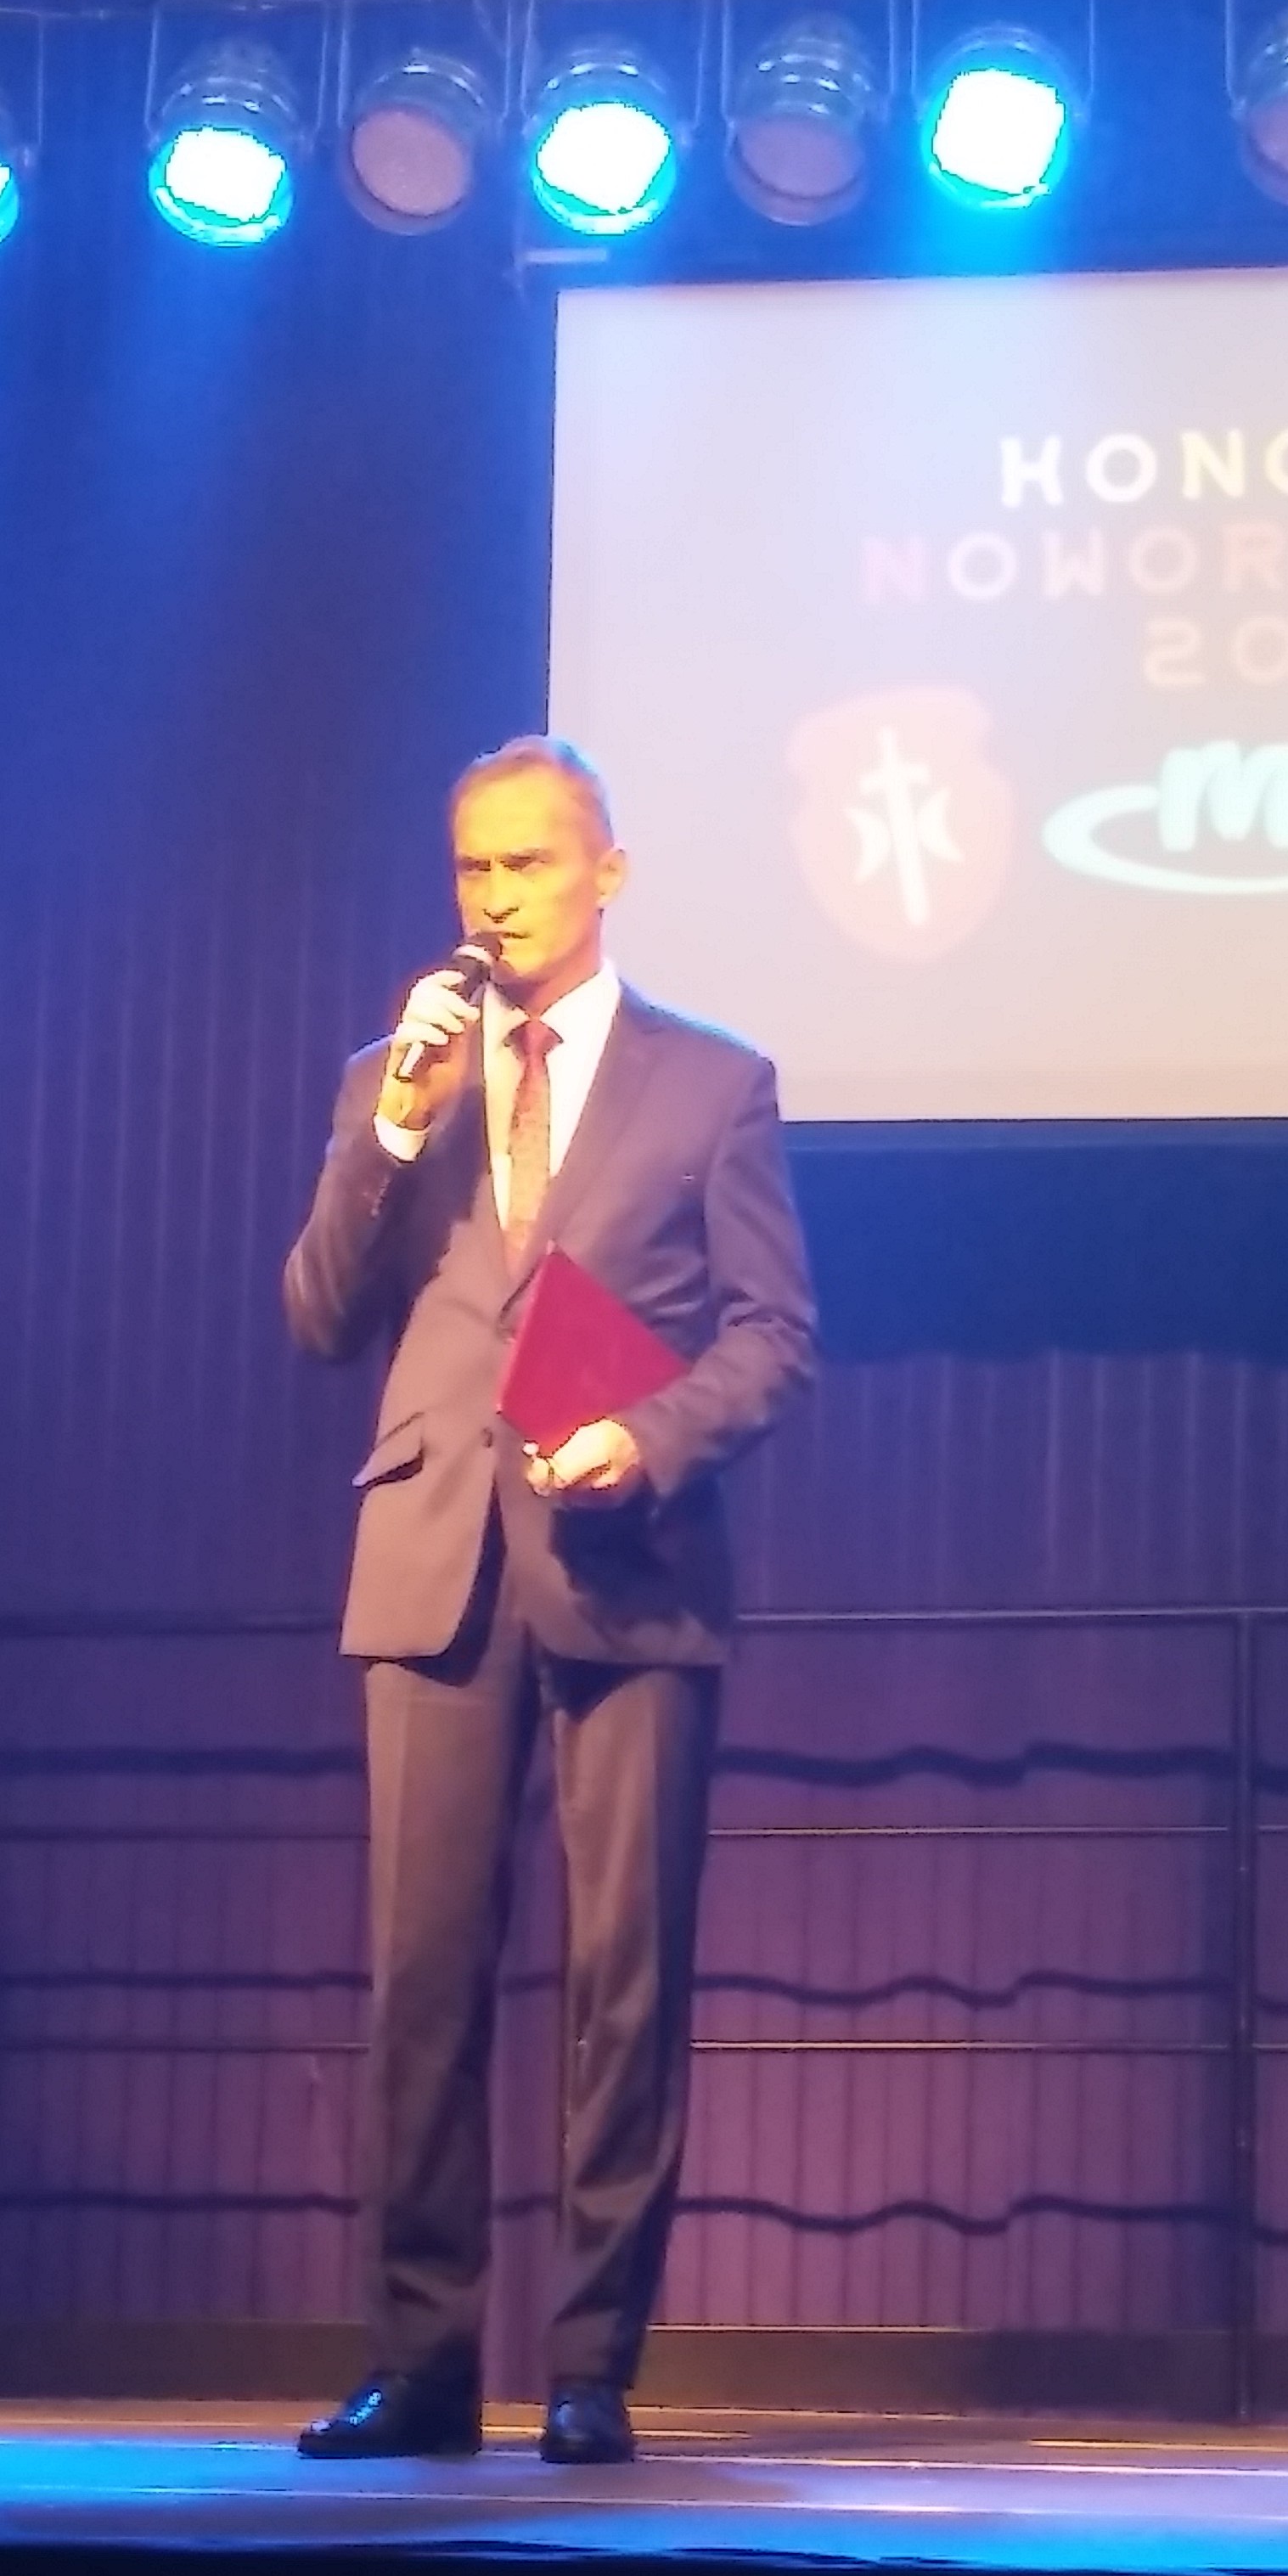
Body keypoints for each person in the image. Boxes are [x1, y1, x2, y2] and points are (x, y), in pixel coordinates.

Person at [283, 738, 816, 2464]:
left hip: (626, 1565)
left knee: (623, 1979)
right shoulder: (399, 1080)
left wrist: (645, 1441)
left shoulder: (712, 1084)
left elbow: (774, 1338)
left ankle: (591, 2364)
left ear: (608, 873)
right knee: (422, 1976)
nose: (498, 897)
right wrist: (394, 1125)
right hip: (434, 1558)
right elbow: (320, 1313)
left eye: (529, 863)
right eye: (474, 868)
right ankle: (422, 2363)